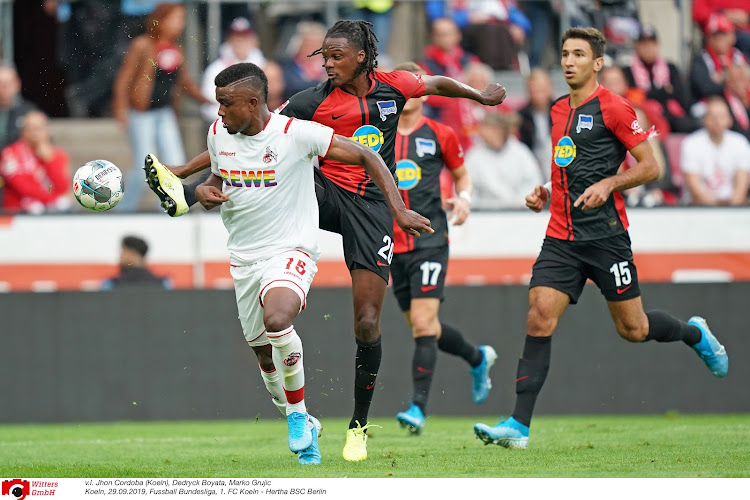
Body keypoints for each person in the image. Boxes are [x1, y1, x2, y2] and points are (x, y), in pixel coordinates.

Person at [142, 20, 506, 461]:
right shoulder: (310, 102)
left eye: (335, 56)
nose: (327, 64)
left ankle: (358, 426)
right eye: (324, 57)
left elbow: (435, 84)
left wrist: (478, 95)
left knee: (368, 322)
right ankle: (241, 234)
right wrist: (184, 174)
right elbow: (256, 135)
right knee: (286, 168)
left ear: (360, 57)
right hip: (326, 195)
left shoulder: (395, 85)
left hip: (372, 208)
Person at [473, 27, 729, 450]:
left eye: (578, 54)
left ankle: (694, 334)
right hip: (561, 237)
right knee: (539, 314)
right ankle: (519, 426)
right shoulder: (557, 110)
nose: (569, 61)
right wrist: (546, 191)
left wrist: (611, 183)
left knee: (634, 328)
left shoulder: (614, 108)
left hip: (606, 238)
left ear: (597, 64)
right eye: (565, 54)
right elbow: (568, 171)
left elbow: (652, 166)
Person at [188, 62, 430, 465]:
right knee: (265, 357)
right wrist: (202, 190)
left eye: (226, 104)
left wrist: (399, 209)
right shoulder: (218, 134)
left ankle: (298, 417)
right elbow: (216, 178)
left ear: (252, 102)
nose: (219, 113)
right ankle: (304, 422)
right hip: (244, 258)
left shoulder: (296, 134)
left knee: (278, 320)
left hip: (291, 248)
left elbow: (367, 154)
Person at [387, 62, 497, 435]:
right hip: (391, 246)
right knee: (426, 327)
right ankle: (477, 357)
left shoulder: (440, 134)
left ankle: (418, 408)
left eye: (417, 87)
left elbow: (463, 175)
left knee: (422, 323)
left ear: (425, 92)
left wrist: (463, 198)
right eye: (403, 87)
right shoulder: (375, 136)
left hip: (431, 240)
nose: (410, 94)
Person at [112, 2, 211, 212]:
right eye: (175, 19)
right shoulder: (142, 45)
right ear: (160, 20)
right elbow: (124, 79)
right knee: (143, 167)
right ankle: (123, 210)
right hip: (141, 114)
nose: (180, 25)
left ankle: (168, 207)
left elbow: (184, 83)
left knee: (175, 162)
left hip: (164, 113)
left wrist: (208, 100)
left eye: (182, 20)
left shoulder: (176, 49)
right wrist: (120, 108)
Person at [622, 24, 700, 134]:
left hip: (671, 115)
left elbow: (680, 94)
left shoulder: (670, 67)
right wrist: (665, 91)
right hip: (646, 117)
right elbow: (635, 97)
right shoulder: (628, 71)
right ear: (637, 46)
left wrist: (649, 94)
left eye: (652, 44)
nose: (648, 48)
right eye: (644, 44)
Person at [680, 96, 750, 206]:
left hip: (733, 207)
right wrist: (716, 211)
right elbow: (694, 187)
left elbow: (742, 185)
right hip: (698, 209)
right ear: (704, 119)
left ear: (730, 120)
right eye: (712, 116)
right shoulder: (691, 143)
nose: (717, 121)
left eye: (721, 116)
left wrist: (731, 208)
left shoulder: (740, 143)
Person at [465, 111, 542, 209]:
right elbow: (466, 190)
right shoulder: (474, 156)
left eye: (493, 131)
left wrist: (519, 203)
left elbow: (533, 183)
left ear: (502, 131)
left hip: (519, 211)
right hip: (485, 213)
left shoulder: (521, 153)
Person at [0, 110, 71, 214]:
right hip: (18, 212)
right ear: (22, 132)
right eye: (29, 128)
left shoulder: (58, 155)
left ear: (47, 130)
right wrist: (53, 199)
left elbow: (61, 188)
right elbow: (22, 187)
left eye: (38, 128)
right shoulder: (10, 153)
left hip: (50, 210)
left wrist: (49, 161)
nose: (34, 133)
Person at [200, 17, 267, 124]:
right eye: (236, 37)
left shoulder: (266, 67)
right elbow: (210, 104)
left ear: (254, 41)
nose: (240, 42)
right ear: (229, 40)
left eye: (245, 37)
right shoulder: (216, 69)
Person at [689, 12, 748, 103]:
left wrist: (722, 79)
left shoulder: (740, 56)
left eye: (723, 34)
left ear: (732, 36)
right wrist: (731, 81)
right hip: (712, 104)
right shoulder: (700, 60)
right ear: (708, 38)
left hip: (741, 103)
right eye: (714, 35)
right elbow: (705, 88)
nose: (719, 39)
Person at [518, 68, 555, 182]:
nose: (538, 95)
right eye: (534, 90)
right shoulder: (521, 116)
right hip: (531, 163)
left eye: (542, 89)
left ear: (550, 88)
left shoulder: (563, 110)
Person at [101, 235, 171, 290]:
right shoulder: (162, 283)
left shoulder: (111, 284)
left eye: (123, 252)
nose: (120, 256)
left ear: (131, 254)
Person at [0, 65, 37, 151]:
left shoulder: (29, 113)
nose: (3, 88)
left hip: (19, 161)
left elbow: (45, 144)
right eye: (0, 83)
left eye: (7, 84)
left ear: (17, 84)